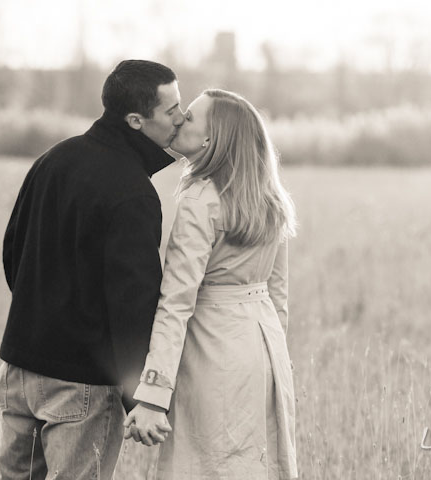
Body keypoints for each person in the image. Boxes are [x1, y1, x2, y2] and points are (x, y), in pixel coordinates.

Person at [0, 59, 185, 479]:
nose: (181, 118)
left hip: (18, 372)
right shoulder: (133, 192)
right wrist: (143, 399)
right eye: (171, 110)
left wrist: (42, 316)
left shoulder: (53, 159)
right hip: (80, 385)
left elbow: (13, 252)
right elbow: (133, 305)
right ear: (135, 120)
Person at [123, 89, 299, 479]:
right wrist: (272, 356)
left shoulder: (201, 200)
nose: (179, 121)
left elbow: (176, 303)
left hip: (213, 351)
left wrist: (153, 393)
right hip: (263, 349)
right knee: (255, 462)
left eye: (189, 117)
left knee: (208, 463)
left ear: (210, 139)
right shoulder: (271, 199)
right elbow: (278, 295)